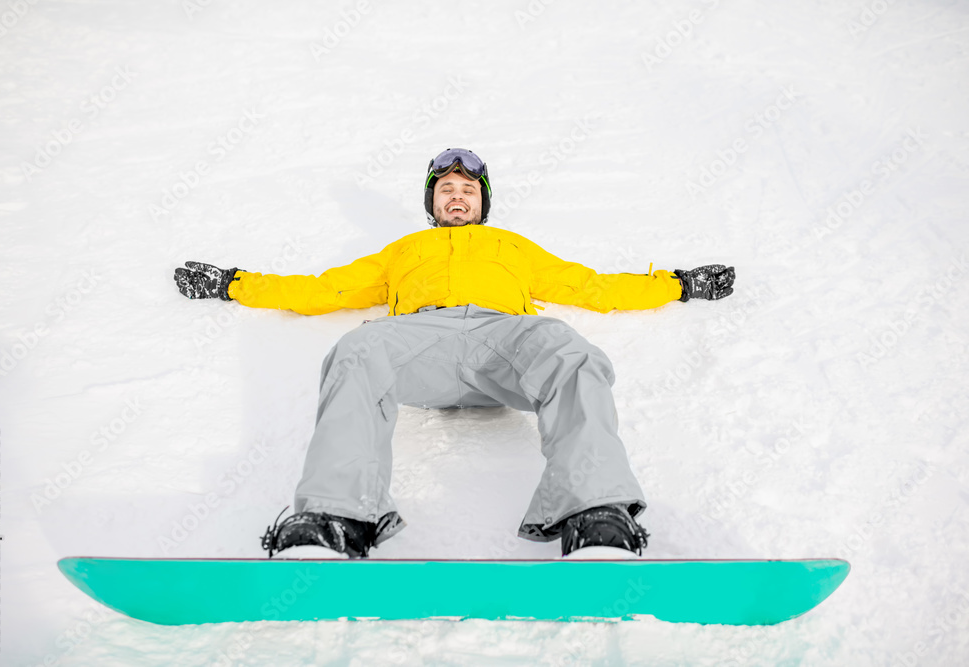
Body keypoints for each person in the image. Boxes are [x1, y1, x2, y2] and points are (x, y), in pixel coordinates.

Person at [174, 148, 735, 560]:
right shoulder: (404, 251)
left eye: (468, 189)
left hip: (504, 339)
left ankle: (597, 517)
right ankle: (334, 519)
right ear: (432, 202)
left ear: (483, 203)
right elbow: (324, 289)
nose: (458, 195)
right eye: (447, 189)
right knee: (358, 347)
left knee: (568, 348)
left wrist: (679, 284)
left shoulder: (512, 247)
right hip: (422, 341)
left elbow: (594, 286)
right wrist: (233, 282)